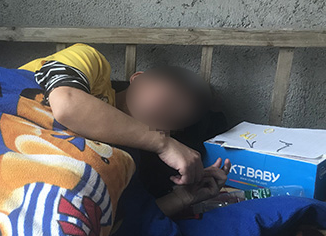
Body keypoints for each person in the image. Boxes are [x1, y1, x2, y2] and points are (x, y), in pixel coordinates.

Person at [20, 43, 231, 216]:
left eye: (178, 114)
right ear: (137, 78)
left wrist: (183, 198)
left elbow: (119, 222)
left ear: (173, 131)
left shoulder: (128, 157)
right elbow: (67, 105)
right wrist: (163, 143)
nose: (167, 108)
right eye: (170, 95)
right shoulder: (91, 62)